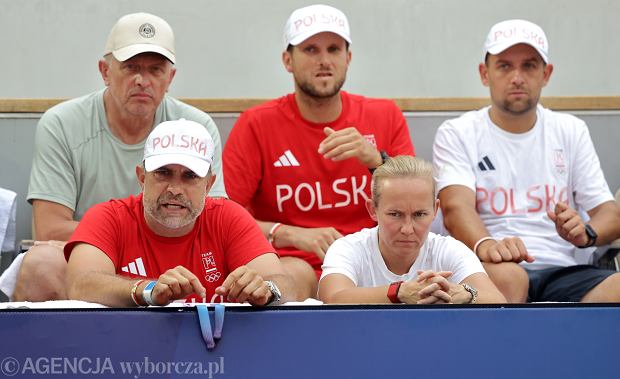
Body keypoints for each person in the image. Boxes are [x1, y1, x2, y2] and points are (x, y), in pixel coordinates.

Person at [5, 12, 227, 301]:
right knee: (42, 263)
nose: (142, 80)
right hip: (92, 258)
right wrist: (125, 246)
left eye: (155, 70)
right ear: (105, 71)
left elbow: (214, 219)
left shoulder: (198, 127)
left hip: (173, 257)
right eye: (130, 67)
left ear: (170, 78)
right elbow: (51, 227)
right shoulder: (62, 123)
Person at [223, 4, 415, 300]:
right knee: (285, 277)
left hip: (374, 261)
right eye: (311, 50)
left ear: (348, 58)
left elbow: (415, 205)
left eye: (334, 49)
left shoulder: (384, 114)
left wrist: (377, 161)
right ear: (288, 60)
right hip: (294, 265)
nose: (324, 60)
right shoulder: (256, 124)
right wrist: (288, 233)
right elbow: (225, 216)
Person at [432, 19, 620, 302]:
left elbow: (610, 214)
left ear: (547, 74)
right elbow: (454, 208)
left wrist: (586, 232)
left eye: (529, 66)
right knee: (510, 278)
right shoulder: (458, 132)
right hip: (491, 268)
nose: (517, 77)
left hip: (565, 269)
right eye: (505, 66)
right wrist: (486, 244)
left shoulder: (570, 129)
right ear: (485, 74)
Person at [65, 119, 292, 307]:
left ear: (209, 184)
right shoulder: (108, 217)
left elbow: (287, 284)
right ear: (142, 177)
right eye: (163, 173)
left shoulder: (228, 216)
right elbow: (81, 285)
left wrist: (267, 290)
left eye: (189, 176)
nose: (174, 189)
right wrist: (148, 290)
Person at [319, 156, 505, 304]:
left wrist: (462, 293)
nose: (407, 229)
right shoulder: (348, 248)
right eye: (395, 214)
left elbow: (498, 301)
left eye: (419, 214)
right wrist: (399, 292)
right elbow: (331, 298)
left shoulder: (449, 249)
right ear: (372, 210)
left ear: (435, 210)